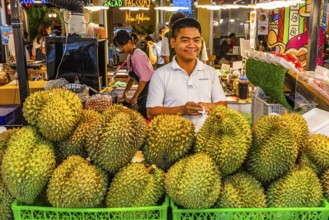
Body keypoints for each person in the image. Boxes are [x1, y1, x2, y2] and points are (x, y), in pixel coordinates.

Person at [146, 18, 227, 128]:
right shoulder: (160, 74)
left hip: (206, 140)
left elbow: (223, 105)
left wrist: (208, 106)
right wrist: (182, 110)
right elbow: (151, 112)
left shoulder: (210, 72)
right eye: (185, 40)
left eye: (196, 40)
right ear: (173, 43)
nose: (191, 45)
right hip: (174, 140)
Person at [113, 30, 154, 117]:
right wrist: (125, 93)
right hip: (144, 90)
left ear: (129, 42)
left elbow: (143, 80)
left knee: (146, 115)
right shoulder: (130, 56)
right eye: (119, 46)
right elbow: (131, 78)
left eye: (121, 46)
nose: (121, 49)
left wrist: (135, 97)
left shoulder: (138, 55)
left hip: (150, 91)